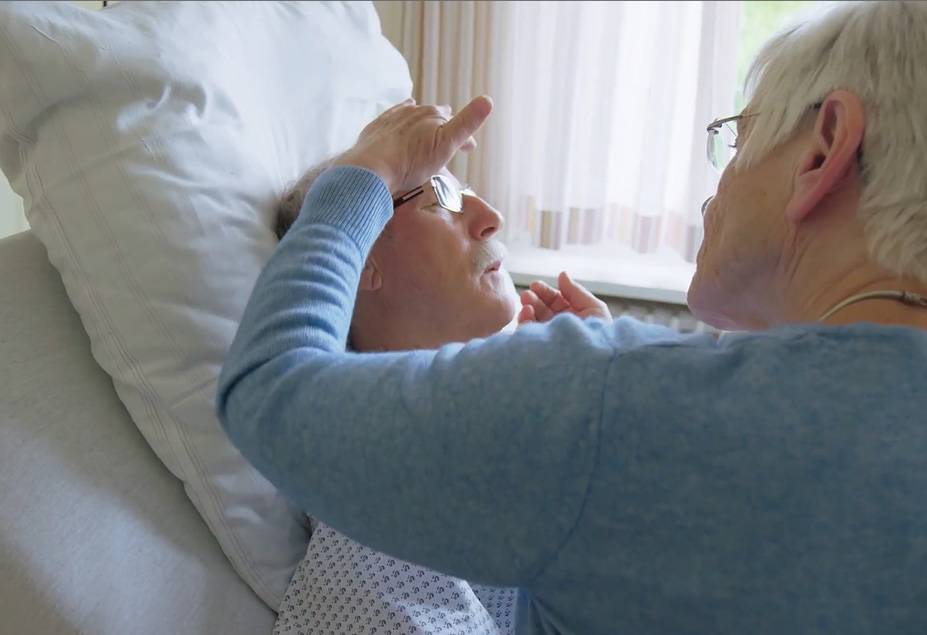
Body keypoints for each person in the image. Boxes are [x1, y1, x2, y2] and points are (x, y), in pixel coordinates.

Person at [218, 2, 927, 633]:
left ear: (824, 146)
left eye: (737, 138)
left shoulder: (606, 401)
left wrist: (369, 171)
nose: (714, 188)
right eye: (437, 196)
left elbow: (267, 392)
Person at [271, 160, 520, 635]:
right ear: (360, 259)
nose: (490, 216)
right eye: (441, 199)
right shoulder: (375, 488)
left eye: (466, 188)